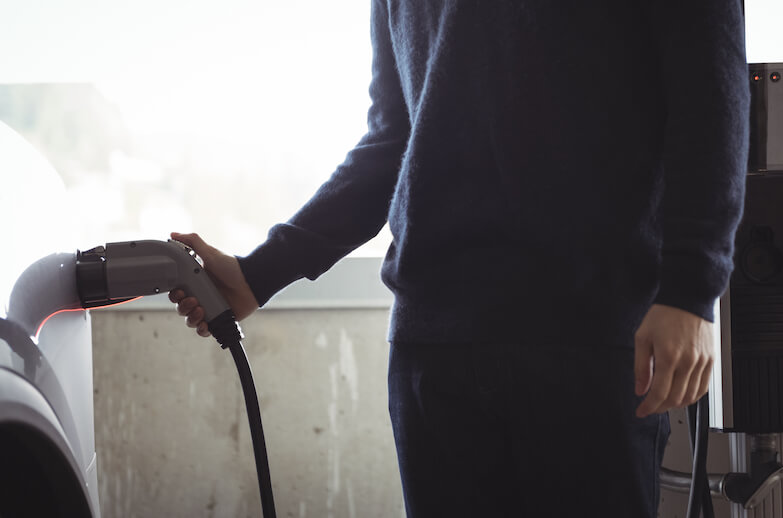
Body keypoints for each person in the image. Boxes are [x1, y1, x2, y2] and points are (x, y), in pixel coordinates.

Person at [170, 1, 749, 516]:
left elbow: (712, 99)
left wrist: (691, 291)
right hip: (437, 351)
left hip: (588, 339)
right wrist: (259, 272)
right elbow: (393, 140)